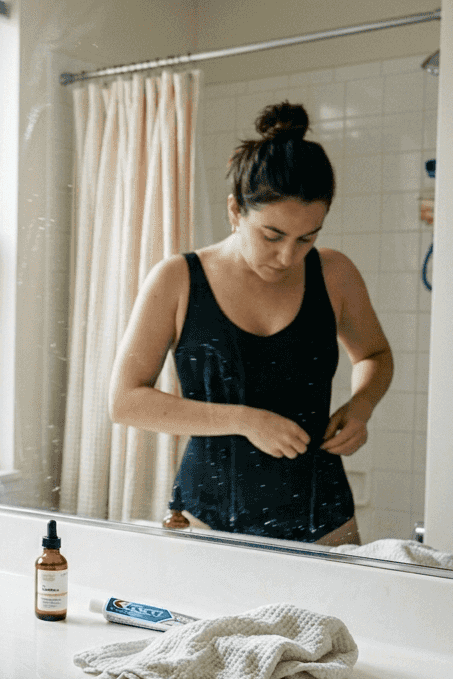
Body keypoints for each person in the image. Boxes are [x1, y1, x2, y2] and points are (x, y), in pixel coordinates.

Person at [108, 101, 391, 546]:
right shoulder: (177, 280)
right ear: (235, 211)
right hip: (207, 515)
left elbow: (375, 355)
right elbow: (125, 402)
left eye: (307, 238)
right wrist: (245, 420)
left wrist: (362, 406)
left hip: (325, 518)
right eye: (272, 235)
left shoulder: (335, 274)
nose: (287, 256)